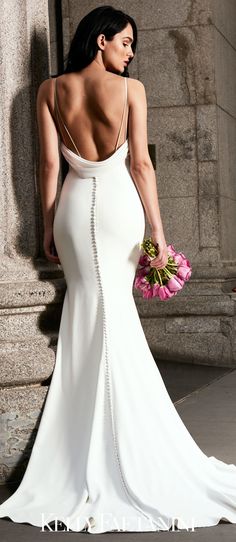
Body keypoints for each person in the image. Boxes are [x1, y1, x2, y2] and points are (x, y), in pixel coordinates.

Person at [0, 5, 236, 535]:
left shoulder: (48, 90)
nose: (131, 52)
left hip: (71, 209)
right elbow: (141, 165)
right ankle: (124, 447)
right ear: (101, 39)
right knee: (115, 316)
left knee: (89, 315)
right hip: (116, 209)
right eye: (126, 41)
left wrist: (46, 225)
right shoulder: (130, 91)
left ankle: (77, 450)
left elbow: (48, 166)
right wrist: (157, 228)